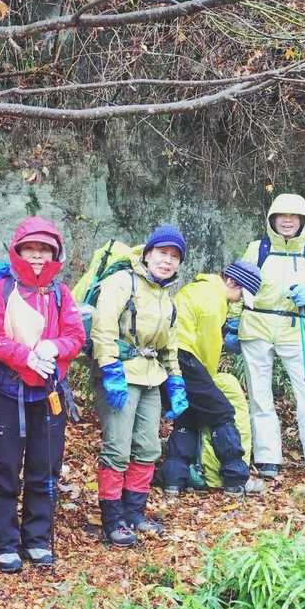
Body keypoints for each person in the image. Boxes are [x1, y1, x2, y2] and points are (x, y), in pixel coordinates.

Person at [0, 217, 86, 571]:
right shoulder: (1, 291)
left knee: (45, 467)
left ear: (54, 254)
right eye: (31, 249)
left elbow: (76, 336)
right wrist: (25, 356)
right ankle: (5, 542)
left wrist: (55, 347)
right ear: (18, 251)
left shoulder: (60, 293)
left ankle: (37, 539)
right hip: (8, 392)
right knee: (5, 469)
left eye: (44, 250)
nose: (37, 256)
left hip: (48, 393)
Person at [88, 225, 188, 547]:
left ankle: (134, 513)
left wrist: (176, 381)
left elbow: (169, 346)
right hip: (120, 374)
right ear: (147, 254)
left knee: (147, 448)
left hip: (151, 377)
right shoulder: (121, 282)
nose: (167, 261)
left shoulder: (166, 298)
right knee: (117, 447)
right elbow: (103, 328)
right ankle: (112, 520)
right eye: (162, 253)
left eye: (174, 256)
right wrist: (109, 369)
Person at [239, 194, 305, 476]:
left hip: (295, 328)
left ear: (303, 220)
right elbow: (240, 286)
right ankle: (267, 457)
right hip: (256, 326)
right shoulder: (257, 249)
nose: (287, 221)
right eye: (281, 215)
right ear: (272, 219)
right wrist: (233, 322)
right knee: (259, 393)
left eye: (294, 216)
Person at [161, 260, 267, 497]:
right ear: (231, 281)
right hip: (186, 357)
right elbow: (208, 348)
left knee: (187, 417)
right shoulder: (214, 301)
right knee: (222, 413)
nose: (238, 300)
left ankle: (173, 481)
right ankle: (236, 479)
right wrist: (208, 381)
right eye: (240, 294)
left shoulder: (198, 288)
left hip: (168, 359)